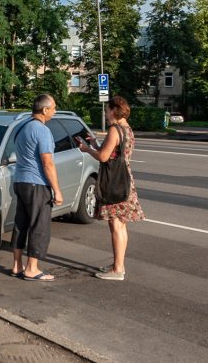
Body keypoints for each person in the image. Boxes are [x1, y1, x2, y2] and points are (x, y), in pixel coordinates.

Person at [76, 95, 145, 281]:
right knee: (120, 224)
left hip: (114, 181)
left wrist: (86, 149)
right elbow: (115, 152)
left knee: (115, 224)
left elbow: (104, 157)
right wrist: (95, 144)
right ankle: (118, 265)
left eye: (107, 110)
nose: (105, 113)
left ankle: (117, 270)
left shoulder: (115, 130)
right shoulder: (127, 129)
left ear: (114, 110)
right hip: (124, 179)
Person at [11, 94, 64, 282]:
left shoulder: (21, 127)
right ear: (44, 110)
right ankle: (32, 268)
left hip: (20, 181)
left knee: (21, 223)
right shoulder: (42, 130)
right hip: (37, 183)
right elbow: (47, 163)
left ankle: (17, 265)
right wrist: (57, 190)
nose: (55, 111)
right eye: (54, 108)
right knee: (39, 225)